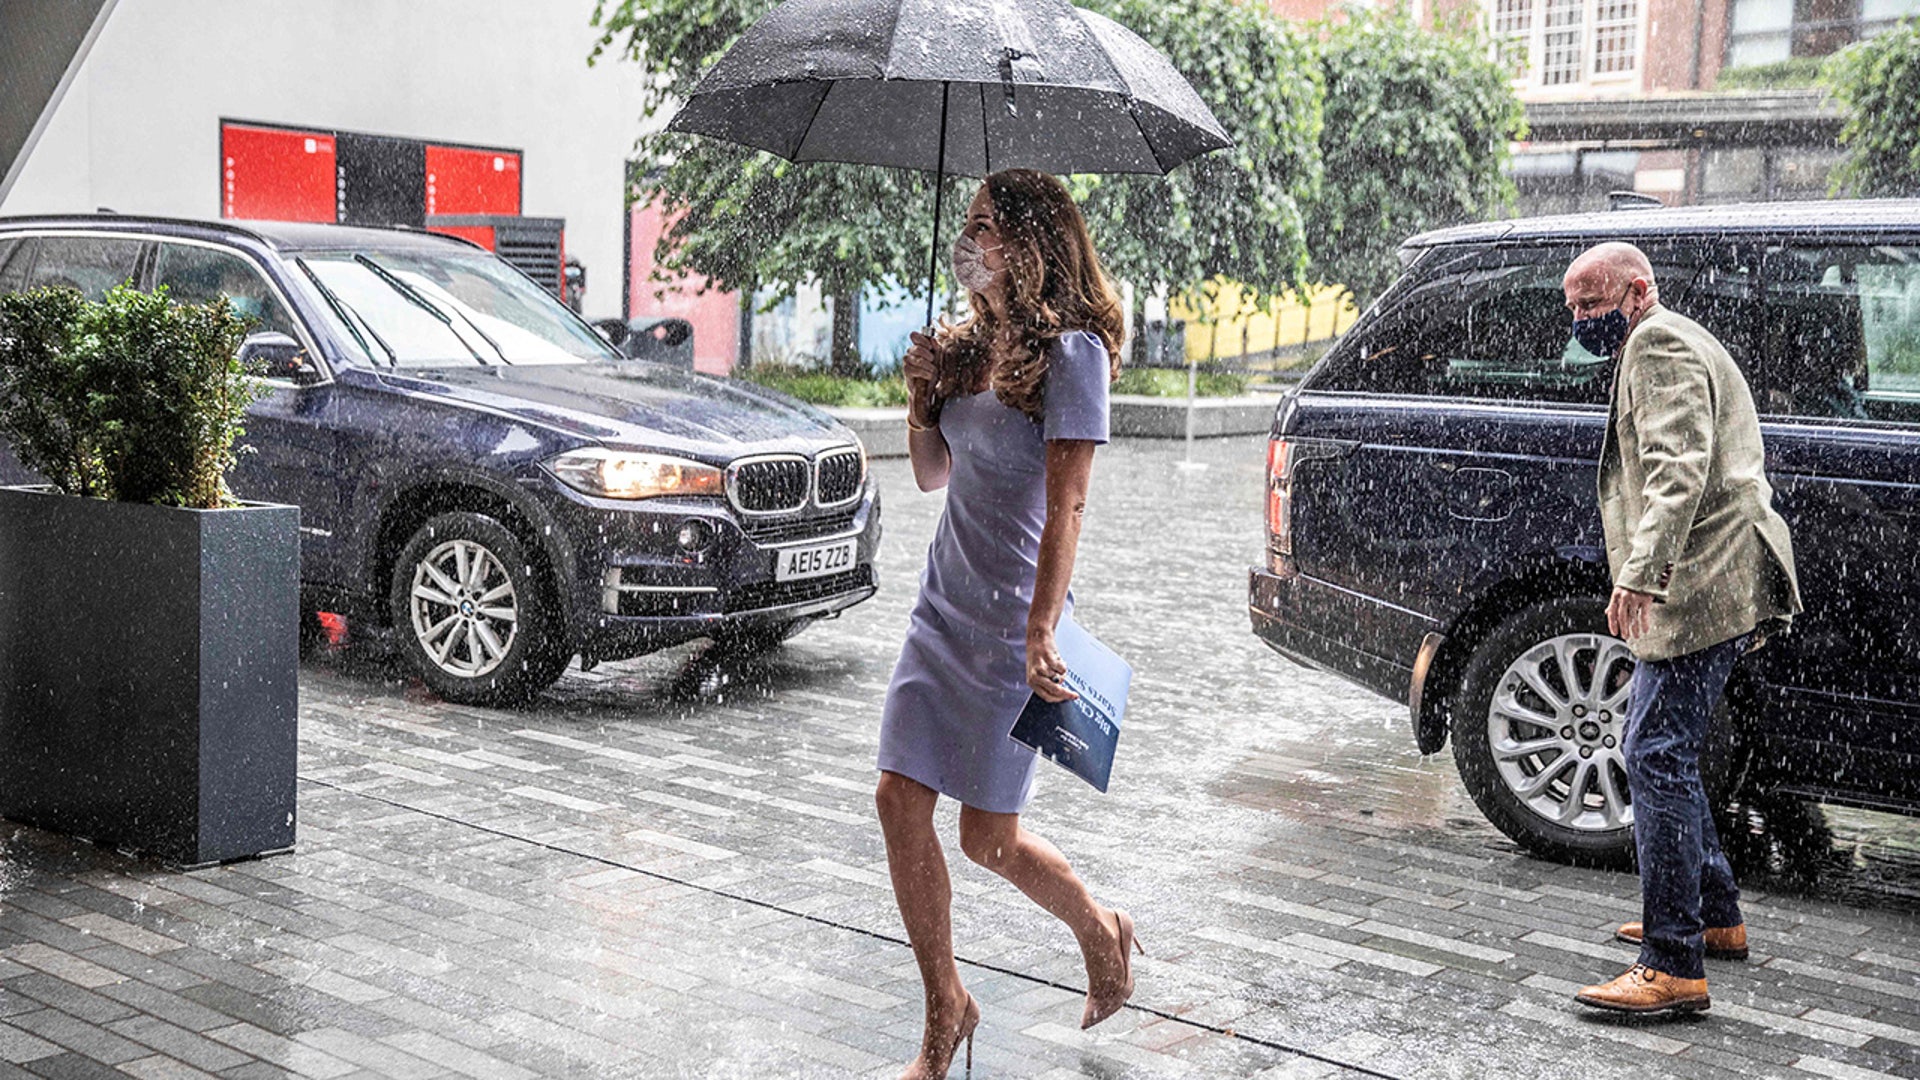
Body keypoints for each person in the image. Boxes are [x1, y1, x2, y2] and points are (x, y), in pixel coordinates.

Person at [874, 169, 1136, 1078]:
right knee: (895, 799)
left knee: (987, 836)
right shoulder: (964, 346)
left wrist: (1040, 631)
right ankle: (945, 1006)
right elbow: (929, 475)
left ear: (1029, 243)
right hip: (940, 610)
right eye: (968, 225)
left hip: (1010, 627)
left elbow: (1068, 508)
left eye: (983, 228)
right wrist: (919, 400)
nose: (968, 242)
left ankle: (1100, 929)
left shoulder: (1074, 356)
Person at [1562, 242, 1802, 1016]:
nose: (1581, 321)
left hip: (1703, 579)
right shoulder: (1676, 334)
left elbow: (1678, 468)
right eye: (1572, 308)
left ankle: (1673, 963)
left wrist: (1640, 570)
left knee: (1653, 753)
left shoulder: (1658, 343)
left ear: (1637, 291)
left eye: (1593, 306)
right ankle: (1715, 918)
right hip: (1720, 573)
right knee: (1666, 748)